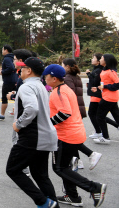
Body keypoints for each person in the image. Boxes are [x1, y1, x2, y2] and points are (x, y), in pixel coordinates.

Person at [43, 64, 107, 207]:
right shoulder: (65, 89)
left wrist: (48, 123)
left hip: (65, 136)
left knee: (59, 168)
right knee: (65, 167)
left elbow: (65, 113)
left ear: (54, 78)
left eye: (46, 76)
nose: (44, 79)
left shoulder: (58, 92)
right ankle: (73, 197)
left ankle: (94, 187)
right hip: (74, 133)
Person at [6, 57, 59, 208]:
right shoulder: (41, 85)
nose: (20, 70)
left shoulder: (26, 87)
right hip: (45, 135)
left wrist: (18, 124)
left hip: (33, 137)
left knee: (13, 169)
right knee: (40, 175)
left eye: (22, 68)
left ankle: (43, 202)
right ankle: (52, 205)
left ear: (29, 71)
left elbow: (32, 109)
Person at [62, 58, 101, 171]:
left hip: (71, 110)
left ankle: (90, 155)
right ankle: (78, 160)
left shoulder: (68, 78)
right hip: (77, 108)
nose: (62, 67)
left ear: (68, 67)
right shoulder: (76, 77)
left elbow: (69, 95)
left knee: (68, 138)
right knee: (70, 137)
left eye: (63, 65)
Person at [86, 53, 119, 139]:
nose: (100, 60)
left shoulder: (110, 71)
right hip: (107, 96)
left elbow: (117, 84)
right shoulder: (104, 71)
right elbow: (103, 84)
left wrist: (105, 87)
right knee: (115, 116)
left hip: (109, 97)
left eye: (102, 58)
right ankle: (104, 136)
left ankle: (105, 137)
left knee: (99, 117)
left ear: (106, 61)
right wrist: (98, 88)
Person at [0, 45, 18, 120]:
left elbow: (11, 68)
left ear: (6, 50)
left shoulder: (7, 58)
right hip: (15, 79)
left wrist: (3, 71)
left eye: (2, 50)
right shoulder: (12, 58)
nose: (2, 51)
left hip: (8, 81)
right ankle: (16, 111)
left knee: (4, 98)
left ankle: (2, 114)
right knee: (16, 96)